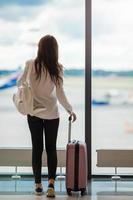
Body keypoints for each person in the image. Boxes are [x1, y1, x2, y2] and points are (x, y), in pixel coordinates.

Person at [17, 35, 77, 197]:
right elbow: (60, 93)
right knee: (51, 149)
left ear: (40, 48)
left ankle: (38, 185)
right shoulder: (57, 67)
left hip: (33, 112)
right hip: (52, 113)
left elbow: (19, 83)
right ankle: (51, 185)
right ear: (54, 50)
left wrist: (28, 87)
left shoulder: (30, 64)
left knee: (37, 149)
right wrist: (69, 109)